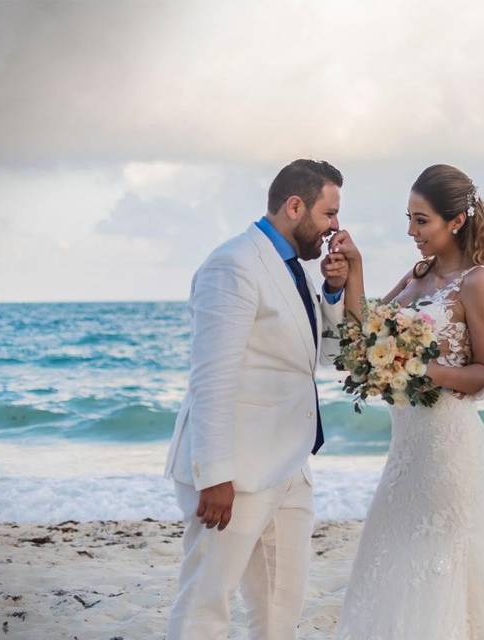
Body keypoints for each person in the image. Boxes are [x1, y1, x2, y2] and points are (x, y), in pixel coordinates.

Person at [331, 163, 484, 638]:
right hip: (407, 448)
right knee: (393, 561)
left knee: (436, 571)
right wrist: (356, 269)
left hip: (449, 447)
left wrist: (420, 369)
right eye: (409, 218)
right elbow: (365, 332)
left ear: (456, 221)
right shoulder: (419, 273)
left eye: (421, 220)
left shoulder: (478, 282)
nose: (411, 230)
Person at [163, 159, 353, 639]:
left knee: (279, 611)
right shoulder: (234, 264)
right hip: (235, 476)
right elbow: (212, 377)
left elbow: (326, 357)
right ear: (295, 206)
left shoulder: (293, 269)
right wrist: (215, 475)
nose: (335, 227)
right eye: (329, 214)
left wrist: (334, 290)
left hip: (290, 466)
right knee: (206, 607)